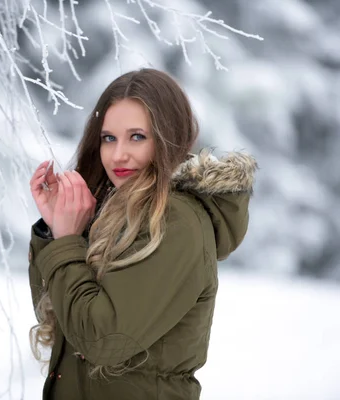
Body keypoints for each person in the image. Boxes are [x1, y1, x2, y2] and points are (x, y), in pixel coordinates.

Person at [27, 68, 256, 400]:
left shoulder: (176, 220)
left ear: (168, 138)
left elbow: (102, 341)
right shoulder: (110, 214)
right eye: (109, 138)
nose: (119, 154)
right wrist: (54, 229)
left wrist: (66, 243)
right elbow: (56, 315)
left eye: (137, 136)